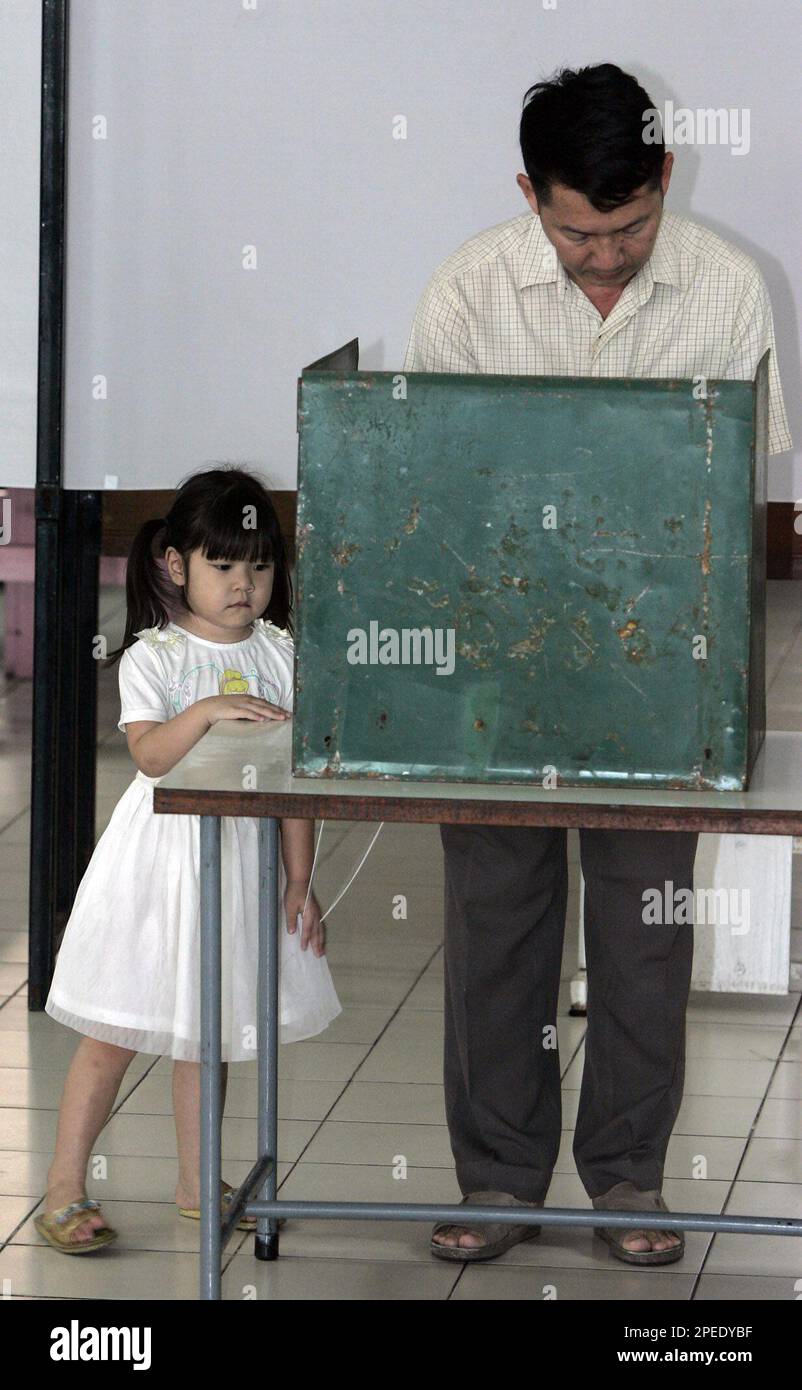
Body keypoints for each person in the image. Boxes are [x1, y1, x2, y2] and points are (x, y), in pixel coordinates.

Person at [403, 63, 792, 1265]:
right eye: (576, 231)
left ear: (665, 179)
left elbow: (737, 511)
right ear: (529, 193)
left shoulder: (729, 290)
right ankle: (499, 1180)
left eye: (627, 229)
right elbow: (434, 498)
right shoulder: (470, 291)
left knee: (643, 931)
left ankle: (629, 1179)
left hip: (659, 671)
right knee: (496, 927)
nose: (605, 258)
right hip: (495, 669)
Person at [37, 466, 341, 1253]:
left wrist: (301, 880)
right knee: (115, 1030)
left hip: (239, 869)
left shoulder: (282, 655)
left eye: (260, 565)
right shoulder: (157, 658)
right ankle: (64, 1186)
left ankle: (198, 1181)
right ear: (176, 566)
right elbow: (150, 756)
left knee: (208, 1031)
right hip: (160, 869)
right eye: (223, 564)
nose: (244, 583)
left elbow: (292, 788)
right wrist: (205, 710)